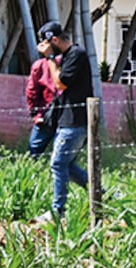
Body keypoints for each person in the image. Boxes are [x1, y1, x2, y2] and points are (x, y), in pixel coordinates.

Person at [35, 21, 93, 223]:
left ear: (55, 40)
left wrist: (50, 58)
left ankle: (57, 212)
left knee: (58, 164)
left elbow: (60, 82)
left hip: (75, 122)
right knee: (67, 166)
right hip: (67, 120)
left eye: (47, 43)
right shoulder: (69, 56)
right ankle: (102, 195)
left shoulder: (76, 55)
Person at [25, 40, 57, 158]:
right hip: (61, 116)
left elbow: (31, 91)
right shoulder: (69, 62)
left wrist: (35, 114)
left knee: (33, 153)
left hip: (45, 114)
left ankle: (32, 173)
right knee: (63, 157)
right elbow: (31, 91)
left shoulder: (40, 65)